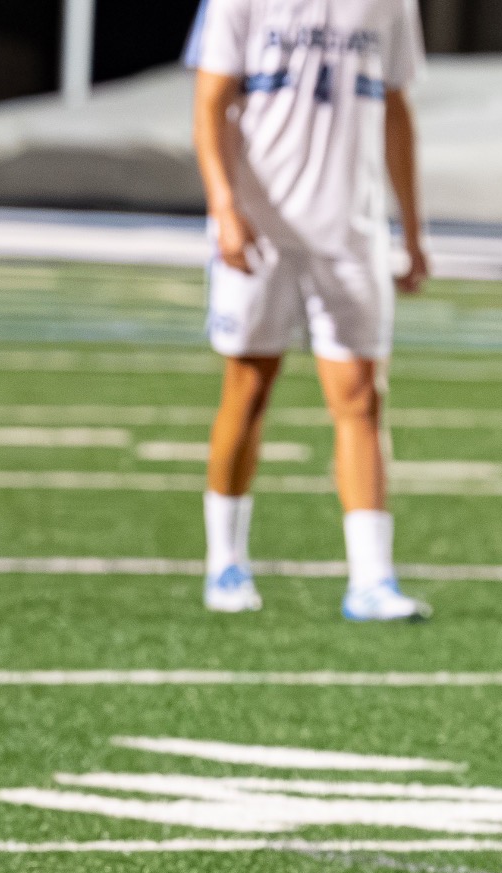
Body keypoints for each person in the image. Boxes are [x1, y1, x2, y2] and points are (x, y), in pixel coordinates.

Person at [185, 0, 432, 621]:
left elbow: (396, 108)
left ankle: (372, 578)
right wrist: (223, 208)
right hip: (262, 227)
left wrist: (412, 229)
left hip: (350, 230)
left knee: (361, 397)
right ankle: (225, 560)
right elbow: (210, 101)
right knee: (248, 387)